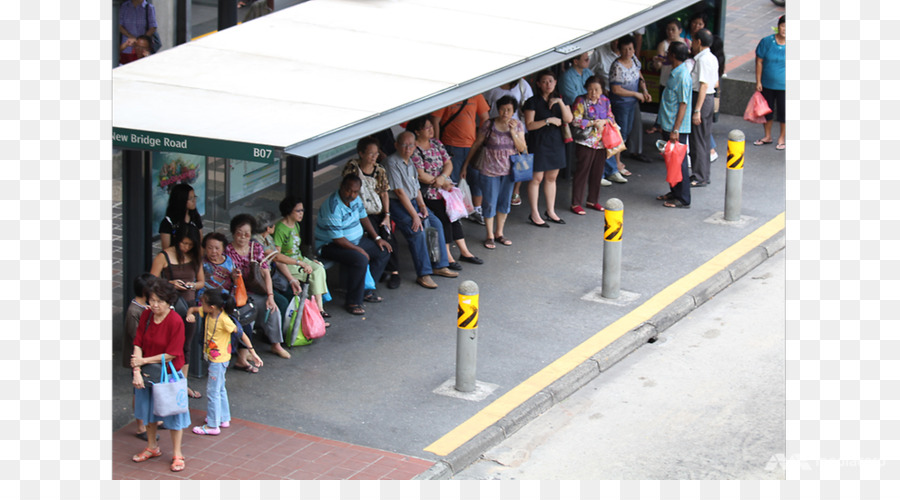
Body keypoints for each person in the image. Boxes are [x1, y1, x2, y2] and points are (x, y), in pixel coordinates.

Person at [383, 132, 460, 289]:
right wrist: (415, 215)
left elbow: (416, 188)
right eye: (404, 145)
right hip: (397, 203)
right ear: (396, 145)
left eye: (411, 145)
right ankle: (424, 274)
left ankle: (439, 264)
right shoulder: (391, 162)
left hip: (413, 201)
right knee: (416, 231)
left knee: (435, 223)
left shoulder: (410, 161)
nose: (408, 148)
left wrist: (423, 207)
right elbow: (399, 192)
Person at [406, 117, 483, 270]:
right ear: (417, 131)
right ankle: (447, 255)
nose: (431, 129)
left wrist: (442, 178)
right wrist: (439, 181)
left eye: (430, 127)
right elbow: (420, 174)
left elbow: (448, 163)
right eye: (426, 128)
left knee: (455, 218)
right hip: (430, 192)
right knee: (444, 220)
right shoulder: (415, 150)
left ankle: (464, 251)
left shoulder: (436, 143)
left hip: (445, 188)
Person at [130, 279, 189, 472]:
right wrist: (137, 371)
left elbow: (172, 353)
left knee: (173, 414)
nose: (154, 305)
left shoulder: (175, 321)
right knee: (149, 412)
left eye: (159, 301)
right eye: (152, 300)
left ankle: (177, 454)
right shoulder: (147, 315)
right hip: (148, 373)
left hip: (168, 374)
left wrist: (143, 362)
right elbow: (138, 342)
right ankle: (152, 447)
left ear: (168, 301)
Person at [185, 291, 263, 436]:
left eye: (204, 302)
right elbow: (194, 309)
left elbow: (241, 334)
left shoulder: (224, 320)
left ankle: (212, 425)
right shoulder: (209, 312)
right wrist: (190, 313)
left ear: (213, 307)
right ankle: (223, 418)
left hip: (218, 361)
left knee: (212, 391)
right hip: (219, 359)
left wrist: (253, 353)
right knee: (220, 388)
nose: (201, 304)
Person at [315, 175, 393, 314]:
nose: (351, 195)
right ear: (341, 186)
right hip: (331, 246)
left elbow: (363, 217)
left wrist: (377, 238)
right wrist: (359, 250)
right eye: (348, 190)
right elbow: (338, 239)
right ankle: (353, 302)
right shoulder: (333, 206)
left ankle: (366, 290)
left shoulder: (356, 200)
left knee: (383, 250)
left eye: (355, 192)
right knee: (360, 258)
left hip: (355, 241)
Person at [461, 96, 528, 249]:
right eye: (503, 109)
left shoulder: (517, 125)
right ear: (498, 109)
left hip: (509, 171)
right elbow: (476, 144)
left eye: (509, 110)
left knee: (504, 202)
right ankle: (489, 235)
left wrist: (513, 133)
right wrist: (466, 165)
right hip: (489, 170)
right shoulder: (489, 124)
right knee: (489, 202)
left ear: (514, 111)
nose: (505, 113)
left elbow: (522, 148)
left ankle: (500, 233)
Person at [149, 224, 204, 398]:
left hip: (190, 307)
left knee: (186, 345)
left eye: (190, 245)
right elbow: (151, 282)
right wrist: (170, 284)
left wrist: (191, 285)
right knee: (171, 346)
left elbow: (202, 282)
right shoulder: (164, 256)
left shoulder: (195, 257)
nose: (186, 247)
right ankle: (167, 381)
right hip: (172, 307)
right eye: (183, 243)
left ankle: (182, 383)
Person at [225, 214, 289, 359]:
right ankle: (245, 350)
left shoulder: (256, 247)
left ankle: (276, 345)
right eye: (239, 233)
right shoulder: (228, 250)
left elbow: (266, 273)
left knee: (272, 308)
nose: (242, 237)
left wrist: (270, 296)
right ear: (234, 233)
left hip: (256, 290)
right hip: (237, 293)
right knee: (247, 312)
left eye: (246, 234)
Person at [342, 137, 401, 288]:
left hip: (377, 211)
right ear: (361, 153)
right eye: (370, 154)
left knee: (388, 237)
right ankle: (373, 274)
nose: (374, 157)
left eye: (376, 153)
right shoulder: (353, 168)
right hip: (359, 212)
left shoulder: (379, 170)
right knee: (374, 239)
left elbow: (384, 193)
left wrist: (387, 215)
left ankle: (393, 271)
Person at [429, 97, 490, 225]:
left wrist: (481, 137)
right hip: (451, 146)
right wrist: (436, 145)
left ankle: (476, 210)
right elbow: (436, 120)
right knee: (453, 181)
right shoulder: (448, 94)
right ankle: (455, 212)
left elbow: (485, 117)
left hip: (472, 145)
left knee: (476, 179)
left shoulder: (476, 94)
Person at [523, 71, 573, 226]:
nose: (548, 84)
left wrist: (559, 102)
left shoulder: (560, 99)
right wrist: (548, 120)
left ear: (555, 82)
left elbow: (568, 119)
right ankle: (534, 213)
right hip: (539, 142)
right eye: (544, 81)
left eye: (551, 81)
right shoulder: (532, 101)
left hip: (556, 142)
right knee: (537, 178)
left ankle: (550, 211)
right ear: (538, 84)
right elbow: (529, 125)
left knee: (552, 178)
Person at [272, 197, 332, 316]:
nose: (301, 213)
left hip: (299, 259)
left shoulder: (296, 225)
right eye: (298, 211)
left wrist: (309, 261)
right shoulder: (280, 228)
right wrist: (300, 263)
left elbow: (297, 248)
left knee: (319, 268)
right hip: (288, 263)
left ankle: (319, 308)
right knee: (313, 274)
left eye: (302, 210)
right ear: (289, 211)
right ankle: (317, 310)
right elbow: (277, 256)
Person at [484, 79, 535, 207]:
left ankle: (515, 191)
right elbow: (486, 103)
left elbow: (529, 102)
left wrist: (514, 131)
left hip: (516, 128)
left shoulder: (522, 84)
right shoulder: (493, 86)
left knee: (518, 161)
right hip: (495, 127)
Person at [609, 34, 653, 178]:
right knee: (620, 132)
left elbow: (640, 77)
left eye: (631, 49)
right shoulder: (617, 66)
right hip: (621, 104)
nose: (628, 52)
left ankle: (617, 161)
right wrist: (635, 94)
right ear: (619, 50)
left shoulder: (634, 60)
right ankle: (616, 164)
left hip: (632, 103)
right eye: (625, 49)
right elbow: (616, 89)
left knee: (627, 131)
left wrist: (644, 91)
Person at [656, 41, 693, 209]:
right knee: (671, 161)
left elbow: (683, 104)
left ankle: (683, 197)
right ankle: (674, 190)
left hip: (675, 127)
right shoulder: (675, 72)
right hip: (668, 123)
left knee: (678, 161)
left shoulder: (683, 76)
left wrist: (675, 129)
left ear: (673, 55)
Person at [570, 76, 614, 215]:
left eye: (596, 89)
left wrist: (604, 121)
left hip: (601, 142)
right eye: (590, 89)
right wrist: (593, 123)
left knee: (597, 171)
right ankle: (576, 202)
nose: (593, 93)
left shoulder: (605, 101)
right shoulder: (581, 101)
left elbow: (611, 117)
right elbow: (575, 120)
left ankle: (592, 200)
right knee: (582, 171)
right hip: (586, 141)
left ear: (601, 90)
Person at [123, 273, 157, 441]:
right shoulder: (134, 311)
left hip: (148, 356)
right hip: (139, 358)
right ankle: (140, 426)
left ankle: (148, 421)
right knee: (138, 391)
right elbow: (136, 337)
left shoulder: (145, 308)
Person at [251, 211, 301, 319]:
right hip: (260, 280)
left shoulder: (268, 238)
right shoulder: (255, 241)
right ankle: (279, 333)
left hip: (272, 276)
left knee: (292, 293)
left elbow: (277, 260)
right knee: (282, 303)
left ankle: (293, 330)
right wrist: (299, 263)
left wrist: (291, 279)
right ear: (268, 228)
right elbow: (276, 256)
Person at [688, 29, 719, 188]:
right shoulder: (712, 58)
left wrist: (697, 110)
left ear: (699, 42)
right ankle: (703, 174)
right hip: (708, 99)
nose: (692, 44)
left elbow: (704, 85)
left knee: (698, 139)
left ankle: (699, 176)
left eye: (693, 41)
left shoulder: (702, 60)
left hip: (701, 99)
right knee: (704, 138)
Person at [647, 20, 686, 135]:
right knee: (664, 105)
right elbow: (658, 66)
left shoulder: (685, 43)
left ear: (680, 31)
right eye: (668, 29)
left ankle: (674, 127)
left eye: (673, 29)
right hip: (665, 80)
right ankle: (661, 125)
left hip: (677, 80)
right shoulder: (663, 44)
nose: (670, 32)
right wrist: (657, 62)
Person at [754, 15, 786, 150]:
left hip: (785, 86)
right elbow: (759, 61)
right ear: (778, 26)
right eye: (784, 26)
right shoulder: (767, 42)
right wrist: (758, 81)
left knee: (784, 112)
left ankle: (782, 138)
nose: (785, 29)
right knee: (767, 111)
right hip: (767, 83)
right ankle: (767, 136)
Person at [158, 183, 202, 251]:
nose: (194, 201)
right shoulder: (168, 223)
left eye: (194, 197)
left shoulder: (195, 217)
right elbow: (166, 250)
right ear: (181, 200)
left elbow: (200, 243)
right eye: (190, 198)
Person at [119, 0, 157, 66]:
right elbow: (119, 25)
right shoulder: (124, 6)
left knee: (143, 64)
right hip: (127, 44)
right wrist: (130, 37)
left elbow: (153, 27)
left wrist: (141, 41)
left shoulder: (148, 7)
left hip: (142, 46)